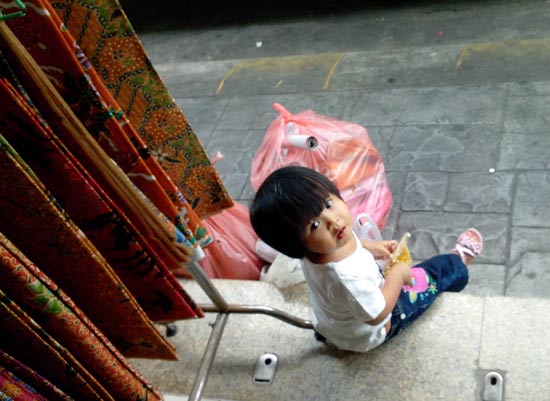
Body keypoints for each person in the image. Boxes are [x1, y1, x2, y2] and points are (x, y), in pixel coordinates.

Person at [249, 166, 483, 353]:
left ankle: (331, 337)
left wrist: (371, 247)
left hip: (333, 324)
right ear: (295, 243)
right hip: (374, 330)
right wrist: (397, 276)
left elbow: (348, 244)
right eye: (314, 225)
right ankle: (458, 263)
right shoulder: (347, 277)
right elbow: (377, 314)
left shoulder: (316, 249)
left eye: (328, 204)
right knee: (431, 275)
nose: (333, 221)